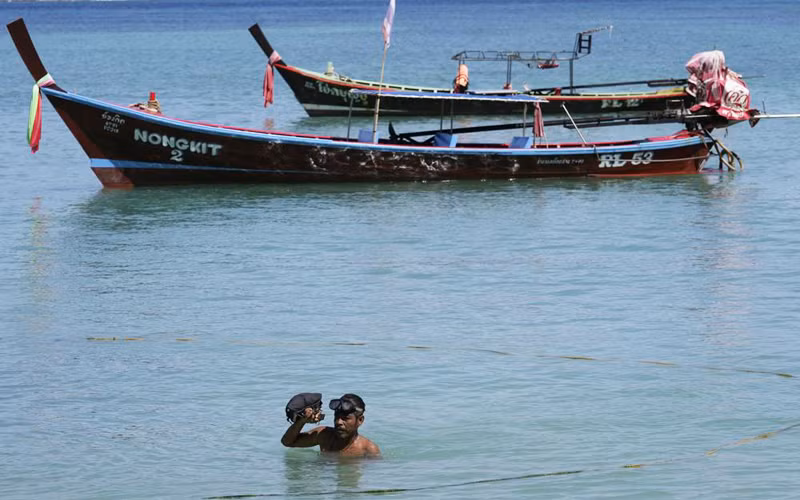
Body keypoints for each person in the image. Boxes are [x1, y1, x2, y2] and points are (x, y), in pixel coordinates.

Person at [281, 393, 381, 457]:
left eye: (345, 418)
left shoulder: (369, 450)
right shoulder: (324, 435)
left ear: (360, 420)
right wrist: (302, 421)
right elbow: (287, 442)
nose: (338, 422)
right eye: (336, 417)